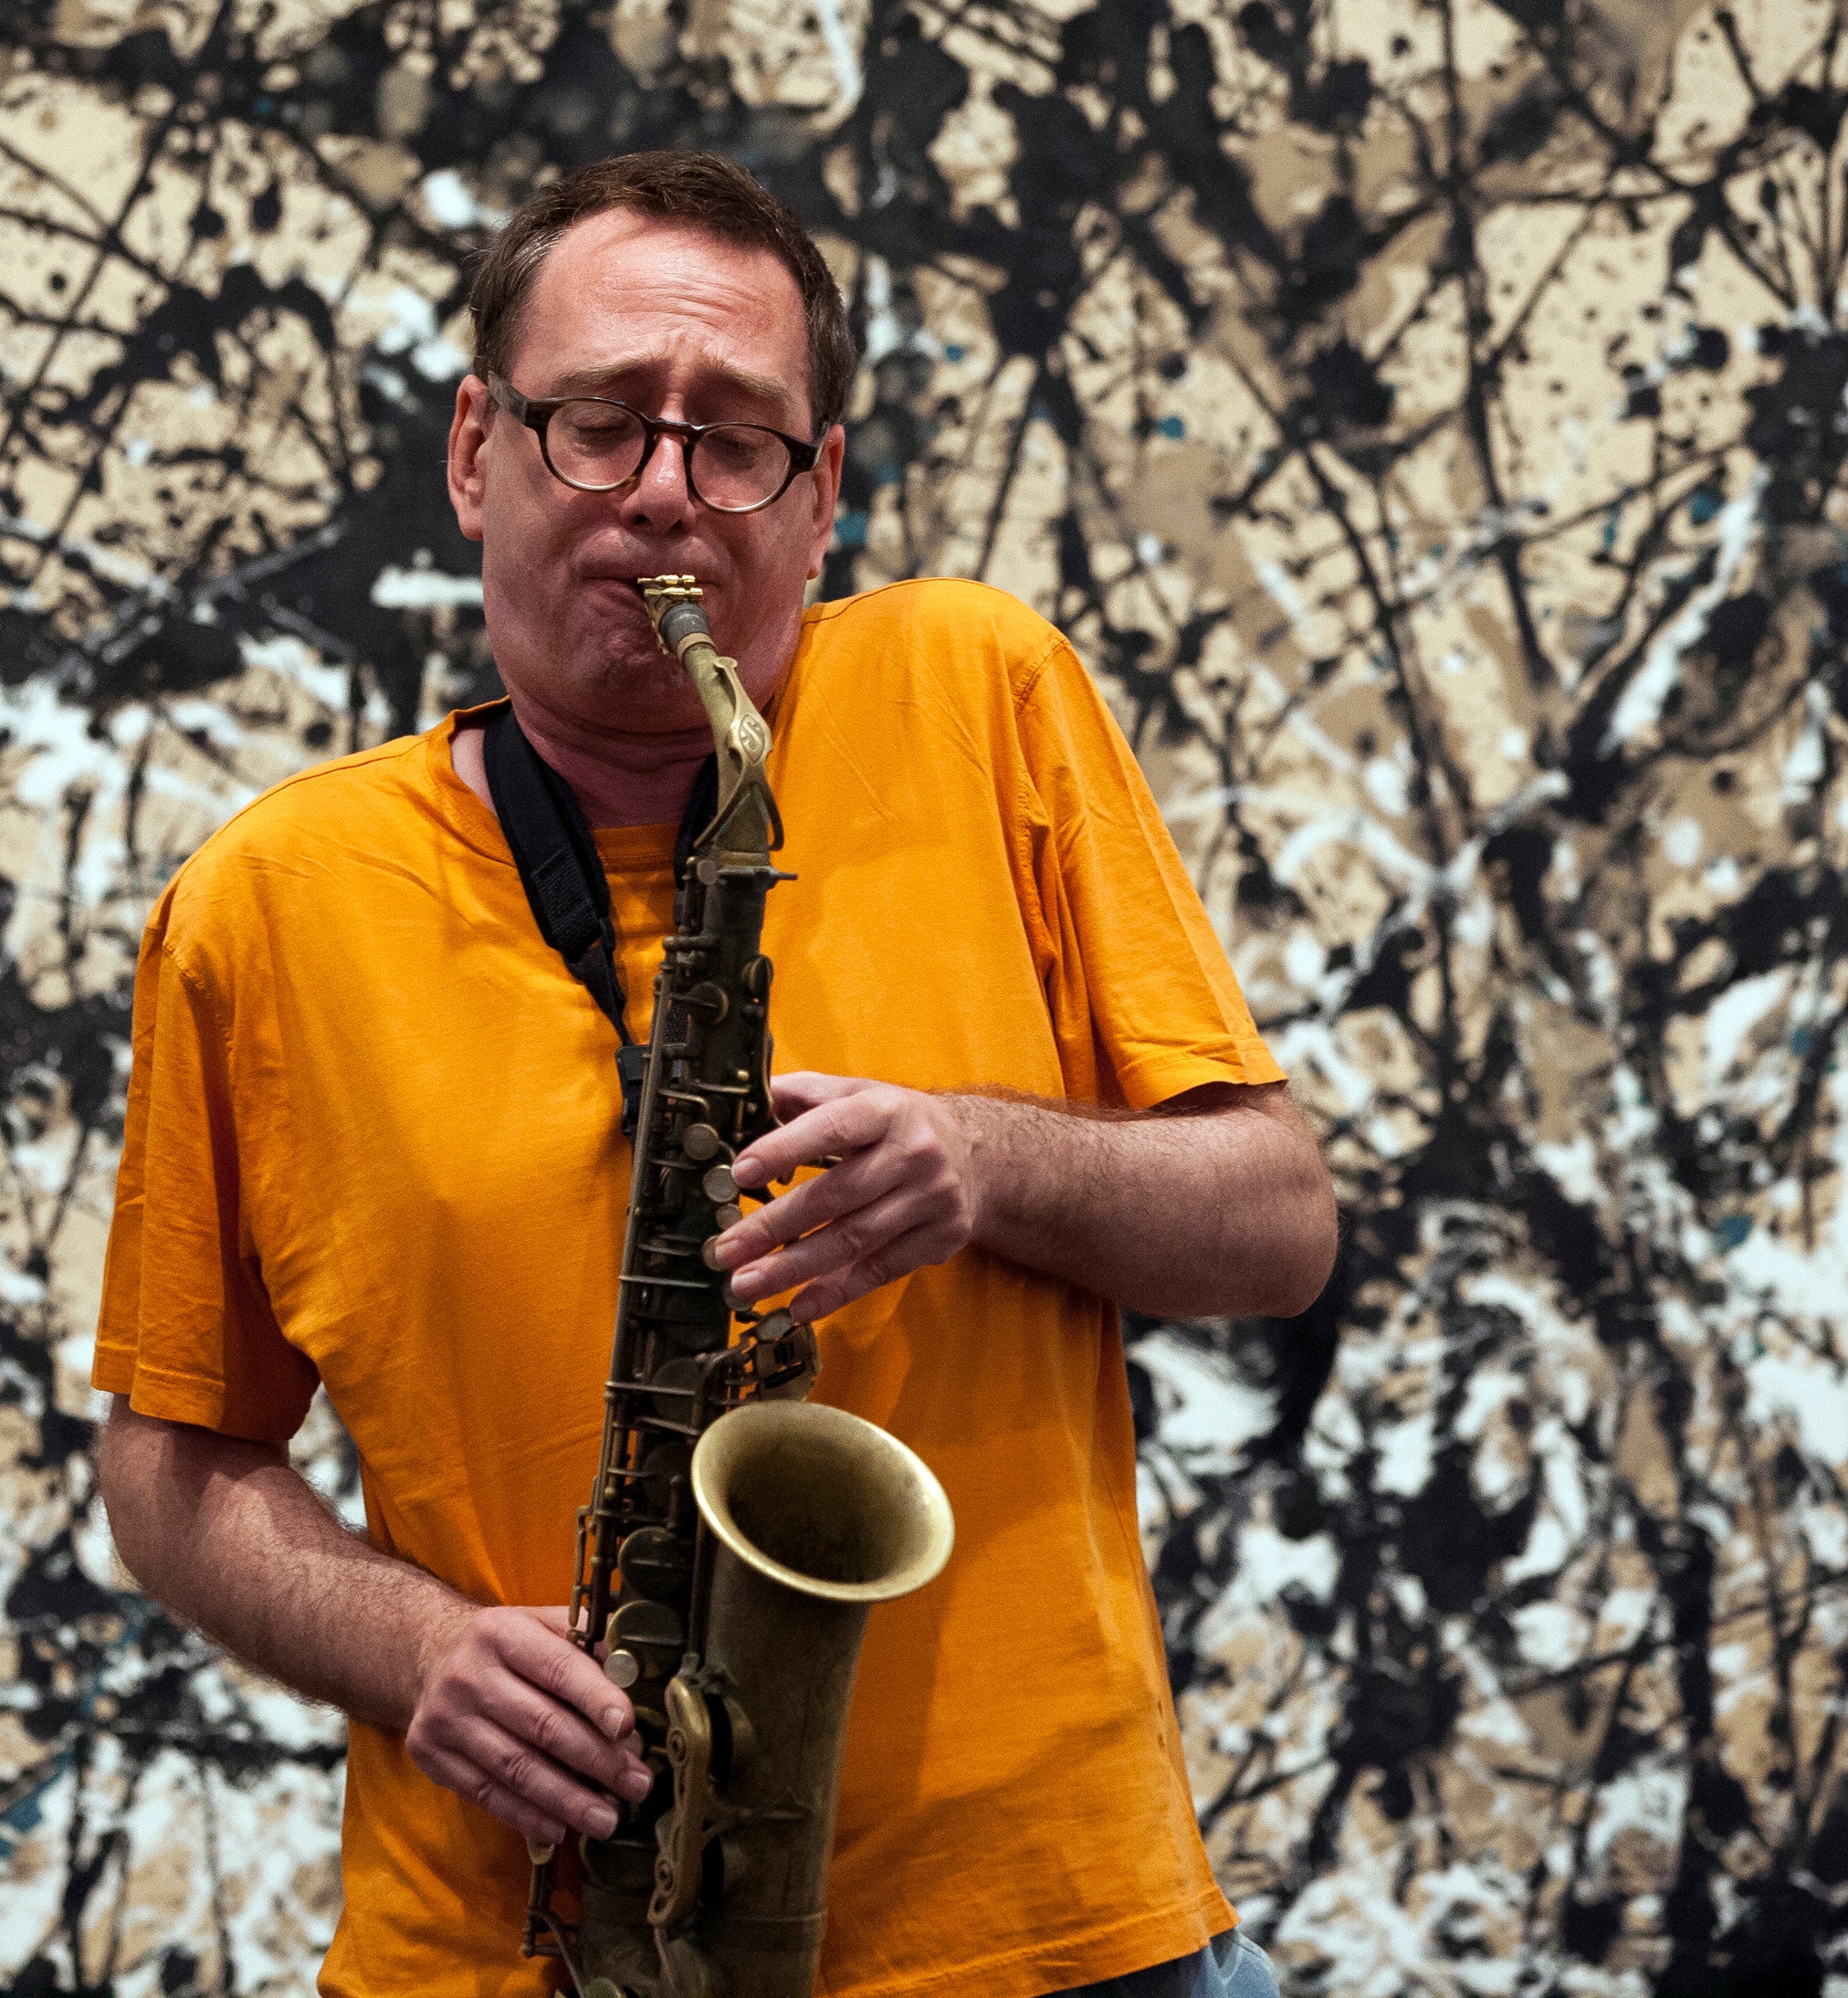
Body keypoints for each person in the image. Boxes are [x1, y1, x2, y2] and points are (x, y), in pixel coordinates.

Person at [92, 151, 1334, 1998]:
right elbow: (173, 1465)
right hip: (523, 1950)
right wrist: (415, 1648)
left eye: (737, 438)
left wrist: (986, 1164)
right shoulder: (266, 905)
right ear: (473, 452)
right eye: (599, 422)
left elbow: (1281, 1220)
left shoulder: (982, 689)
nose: (664, 492)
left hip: (1055, 1943)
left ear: (822, 494)